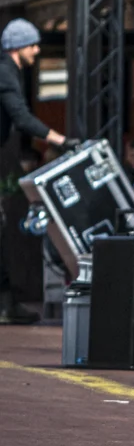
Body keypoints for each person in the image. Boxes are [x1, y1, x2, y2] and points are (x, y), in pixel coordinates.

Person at [0, 19, 63, 324]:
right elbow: (21, 117)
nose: (37, 51)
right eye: (33, 45)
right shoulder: (5, 73)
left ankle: (6, 304)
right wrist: (60, 139)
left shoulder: (8, 72)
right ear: (19, 46)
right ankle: (6, 305)